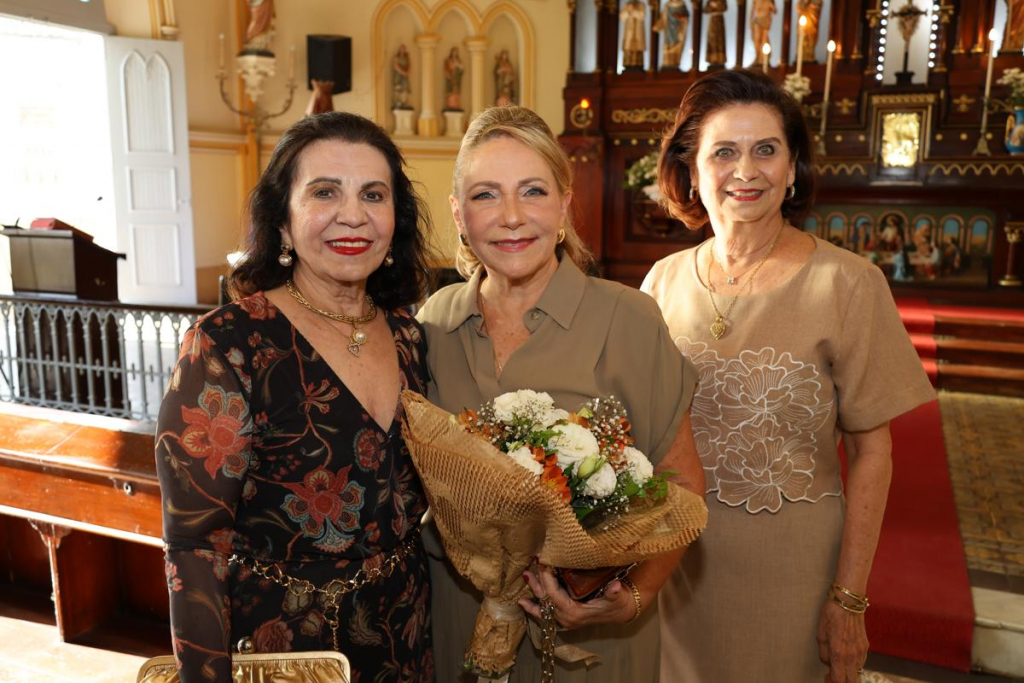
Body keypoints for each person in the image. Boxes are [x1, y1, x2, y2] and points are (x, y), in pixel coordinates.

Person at [643, 69, 935, 682]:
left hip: (793, 572)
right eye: (724, 152)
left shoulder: (849, 284)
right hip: (671, 565)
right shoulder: (660, 284)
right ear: (691, 171)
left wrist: (849, 599)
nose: (745, 170)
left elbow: (873, 453)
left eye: (766, 150)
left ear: (793, 167)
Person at [417, 105, 705, 682]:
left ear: (565, 205)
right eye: (485, 195)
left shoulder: (628, 319)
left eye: (533, 190)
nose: (512, 217)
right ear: (459, 215)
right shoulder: (431, 325)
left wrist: (633, 598)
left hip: (591, 633)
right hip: (456, 617)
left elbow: (684, 485)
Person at [155, 112, 435, 683]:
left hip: (405, 638)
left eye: (373, 195)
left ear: (394, 219)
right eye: (324, 192)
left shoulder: (410, 336)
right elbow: (194, 548)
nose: (353, 215)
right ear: (283, 222)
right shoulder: (229, 344)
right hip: (281, 651)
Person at [654, 0, 690, 70]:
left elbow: (686, 17)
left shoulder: (682, 5)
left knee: (677, 45)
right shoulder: (667, 5)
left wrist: (679, 17)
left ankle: (675, 63)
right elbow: (663, 18)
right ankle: (667, 63)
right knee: (668, 45)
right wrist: (658, 26)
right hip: (669, 30)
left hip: (678, 30)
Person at [620, 0, 647, 70]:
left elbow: (642, 16)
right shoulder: (627, 5)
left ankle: (638, 65)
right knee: (628, 47)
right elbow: (622, 17)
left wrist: (633, 10)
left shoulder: (641, 5)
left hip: (638, 30)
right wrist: (628, 11)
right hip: (629, 31)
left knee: (638, 47)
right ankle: (627, 64)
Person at [750, 0, 776, 64]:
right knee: (756, 39)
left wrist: (771, 7)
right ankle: (757, 56)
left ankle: (762, 59)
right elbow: (753, 10)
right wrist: (751, 21)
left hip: (765, 21)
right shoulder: (756, 1)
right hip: (757, 20)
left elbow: (774, 10)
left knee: (764, 40)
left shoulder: (768, 2)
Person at [703, 0, 727, 67]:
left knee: (720, 40)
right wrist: (712, 6)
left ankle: (720, 60)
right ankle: (712, 59)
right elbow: (705, 10)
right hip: (712, 21)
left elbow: (724, 8)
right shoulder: (709, 1)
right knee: (712, 40)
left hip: (719, 21)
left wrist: (717, 5)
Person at [443, 47, 465, 111]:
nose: (455, 53)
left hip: (457, 78)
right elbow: (447, 70)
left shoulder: (458, 61)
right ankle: (450, 103)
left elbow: (461, 70)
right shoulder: (448, 60)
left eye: (456, 52)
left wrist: (459, 67)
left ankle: (455, 102)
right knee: (451, 91)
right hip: (451, 79)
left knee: (456, 90)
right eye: (454, 52)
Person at [393, 44, 413, 110]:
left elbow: (409, 65)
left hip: (405, 76)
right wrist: (403, 72)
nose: (403, 50)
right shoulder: (396, 57)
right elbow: (396, 66)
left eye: (404, 49)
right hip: (398, 75)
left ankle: (405, 102)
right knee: (398, 88)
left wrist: (407, 72)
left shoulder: (407, 57)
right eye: (401, 49)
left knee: (405, 89)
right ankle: (398, 101)